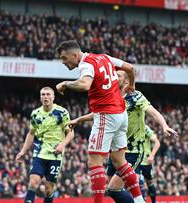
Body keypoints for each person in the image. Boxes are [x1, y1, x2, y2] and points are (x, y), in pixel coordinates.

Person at [55, 40, 145, 203]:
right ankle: (139, 201)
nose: (63, 62)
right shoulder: (104, 57)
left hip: (106, 115)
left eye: (64, 58)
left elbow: (84, 84)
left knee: (95, 161)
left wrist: (65, 84)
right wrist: (131, 85)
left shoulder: (86, 64)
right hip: (121, 113)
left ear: (75, 55)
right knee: (120, 161)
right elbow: (131, 68)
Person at [104, 70, 177, 203]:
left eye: (118, 75)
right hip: (115, 150)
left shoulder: (135, 96)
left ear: (126, 81)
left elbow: (153, 112)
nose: (114, 76)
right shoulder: (112, 97)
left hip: (133, 150)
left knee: (115, 188)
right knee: (113, 190)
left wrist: (164, 125)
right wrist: (80, 120)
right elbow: (100, 114)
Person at [16, 87, 74, 203]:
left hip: (55, 155)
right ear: (40, 97)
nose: (45, 97)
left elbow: (71, 133)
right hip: (39, 153)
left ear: (53, 97)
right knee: (33, 182)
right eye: (43, 94)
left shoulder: (62, 113)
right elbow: (31, 133)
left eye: (48, 94)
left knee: (48, 189)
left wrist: (62, 145)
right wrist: (23, 151)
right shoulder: (35, 113)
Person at [138, 125, 160, 203]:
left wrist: (152, 155)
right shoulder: (129, 126)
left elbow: (157, 143)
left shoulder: (145, 128)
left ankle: (153, 202)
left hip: (146, 161)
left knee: (149, 182)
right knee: (138, 181)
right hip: (135, 160)